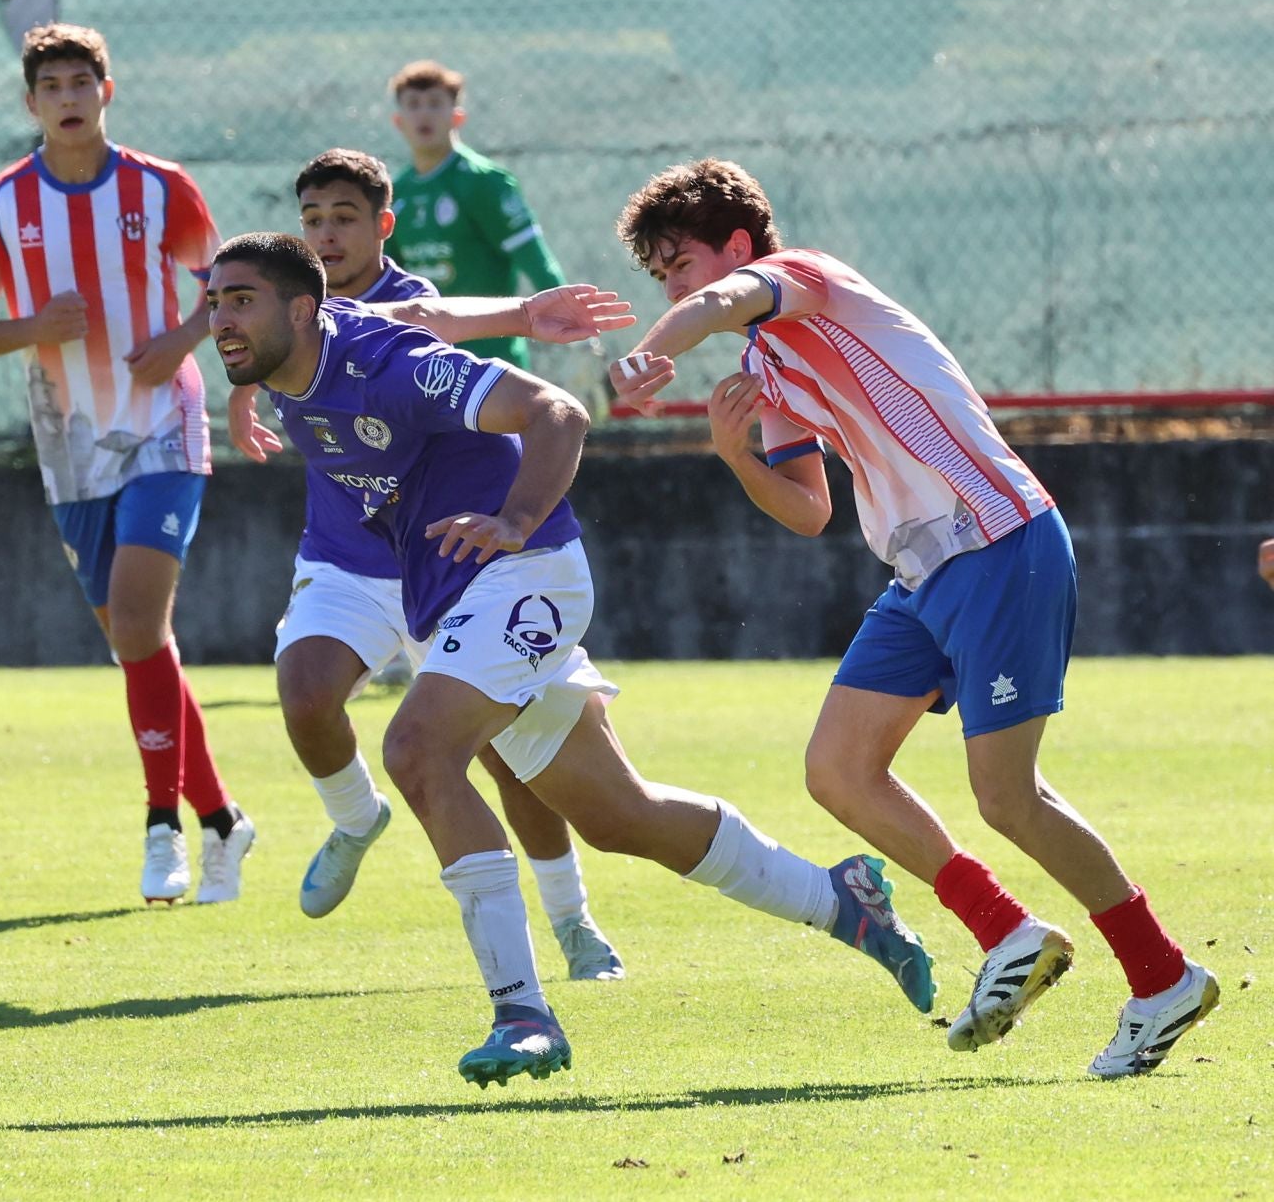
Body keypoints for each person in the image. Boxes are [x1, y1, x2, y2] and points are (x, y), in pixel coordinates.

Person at [206, 231, 936, 1087]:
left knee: (417, 748)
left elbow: (558, 411)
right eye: (215, 302)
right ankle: (842, 901)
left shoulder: (388, 366)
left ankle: (522, 1013)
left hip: (526, 575)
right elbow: (418, 309)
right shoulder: (297, 361)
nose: (221, 320)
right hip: (455, 597)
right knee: (621, 816)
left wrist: (515, 518)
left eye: (241, 301)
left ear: (303, 310)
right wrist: (250, 391)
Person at [610, 157, 1218, 1078]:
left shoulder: (807, 278)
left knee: (1007, 795)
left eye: (679, 264)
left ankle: (1163, 977)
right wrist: (736, 459)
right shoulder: (763, 365)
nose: (673, 287)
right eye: (659, 276)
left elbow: (721, 301)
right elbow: (808, 509)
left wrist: (654, 349)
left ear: (736, 247)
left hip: (998, 538)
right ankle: (1008, 932)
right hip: (922, 571)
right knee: (838, 769)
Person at [224, 149, 624, 980]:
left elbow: (427, 314)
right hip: (347, 557)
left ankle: (573, 918)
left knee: (509, 757)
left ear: (384, 226)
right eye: (312, 219)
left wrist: (526, 312)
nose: (326, 234)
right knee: (304, 692)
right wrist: (239, 391)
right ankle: (355, 818)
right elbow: (252, 340)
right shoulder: (274, 306)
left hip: (444, 561)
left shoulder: (394, 314)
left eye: (344, 218)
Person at [0, 24, 254, 907]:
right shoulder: (0, 206)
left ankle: (164, 827)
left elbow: (225, 291)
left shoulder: (162, 188)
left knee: (140, 623)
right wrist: (31, 328)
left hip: (164, 426)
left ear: (107, 91)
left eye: (82, 81)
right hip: (71, 444)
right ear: (30, 102)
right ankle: (224, 818)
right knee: (134, 644)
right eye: (52, 86)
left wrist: (181, 341)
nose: (69, 98)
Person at [384, 61, 565, 370]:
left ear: (457, 116)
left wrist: (569, 314)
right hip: (425, 360)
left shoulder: (485, 182)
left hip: (493, 359)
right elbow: (386, 275)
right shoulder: (395, 193)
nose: (424, 114)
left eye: (435, 103)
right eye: (413, 104)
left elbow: (534, 257)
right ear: (399, 121)